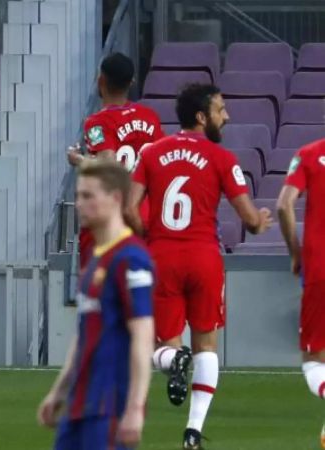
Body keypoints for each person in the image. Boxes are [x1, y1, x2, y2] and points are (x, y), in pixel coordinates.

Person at [128, 83, 272, 449]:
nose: (227, 117)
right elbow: (248, 218)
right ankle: (193, 430)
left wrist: (150, 233)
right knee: (207, 344)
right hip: (204, 257)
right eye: (221, 110)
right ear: (201, 117)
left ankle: (174, 359)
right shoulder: (223, 159)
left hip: (162, 255)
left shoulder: (151, 152)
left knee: (164, 346)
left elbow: (128, 208)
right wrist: (260, 222)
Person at [38, 161, 155, 450]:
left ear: (115, 198)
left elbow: (143, 335)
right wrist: (59, 392)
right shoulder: (96, 259)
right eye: (78, 195)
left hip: (109, 406)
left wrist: (135, 408)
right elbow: (83, 335)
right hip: (79, 405)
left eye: (88, 196)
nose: (79, 204)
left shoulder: (131, 258)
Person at [68, 52, 164, 268]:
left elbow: (108, 165)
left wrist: (78, 159)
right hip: (145, 215)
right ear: (132, 82)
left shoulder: (95, 123)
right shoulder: (150, 116)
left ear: (100, 80)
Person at [276, 140, 325, 446]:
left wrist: (295, 252)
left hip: (320, 266)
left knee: (313, 359)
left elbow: (283, 204)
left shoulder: (309, 154)